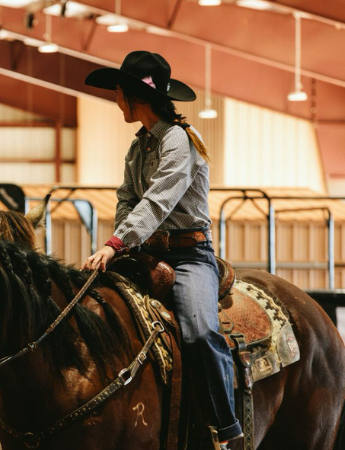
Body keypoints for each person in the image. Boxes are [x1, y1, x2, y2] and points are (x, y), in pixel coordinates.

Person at [81, 51, 243, 449]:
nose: (116, 100)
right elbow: (125, 199)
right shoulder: (138, 148)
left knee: (200, 331)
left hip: (189, 255)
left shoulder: (179, 141)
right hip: (145, 252)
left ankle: (227, 431)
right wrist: (123, 241)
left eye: (118, 93)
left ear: (129, 95)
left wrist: (114, 244)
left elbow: (157, 201)